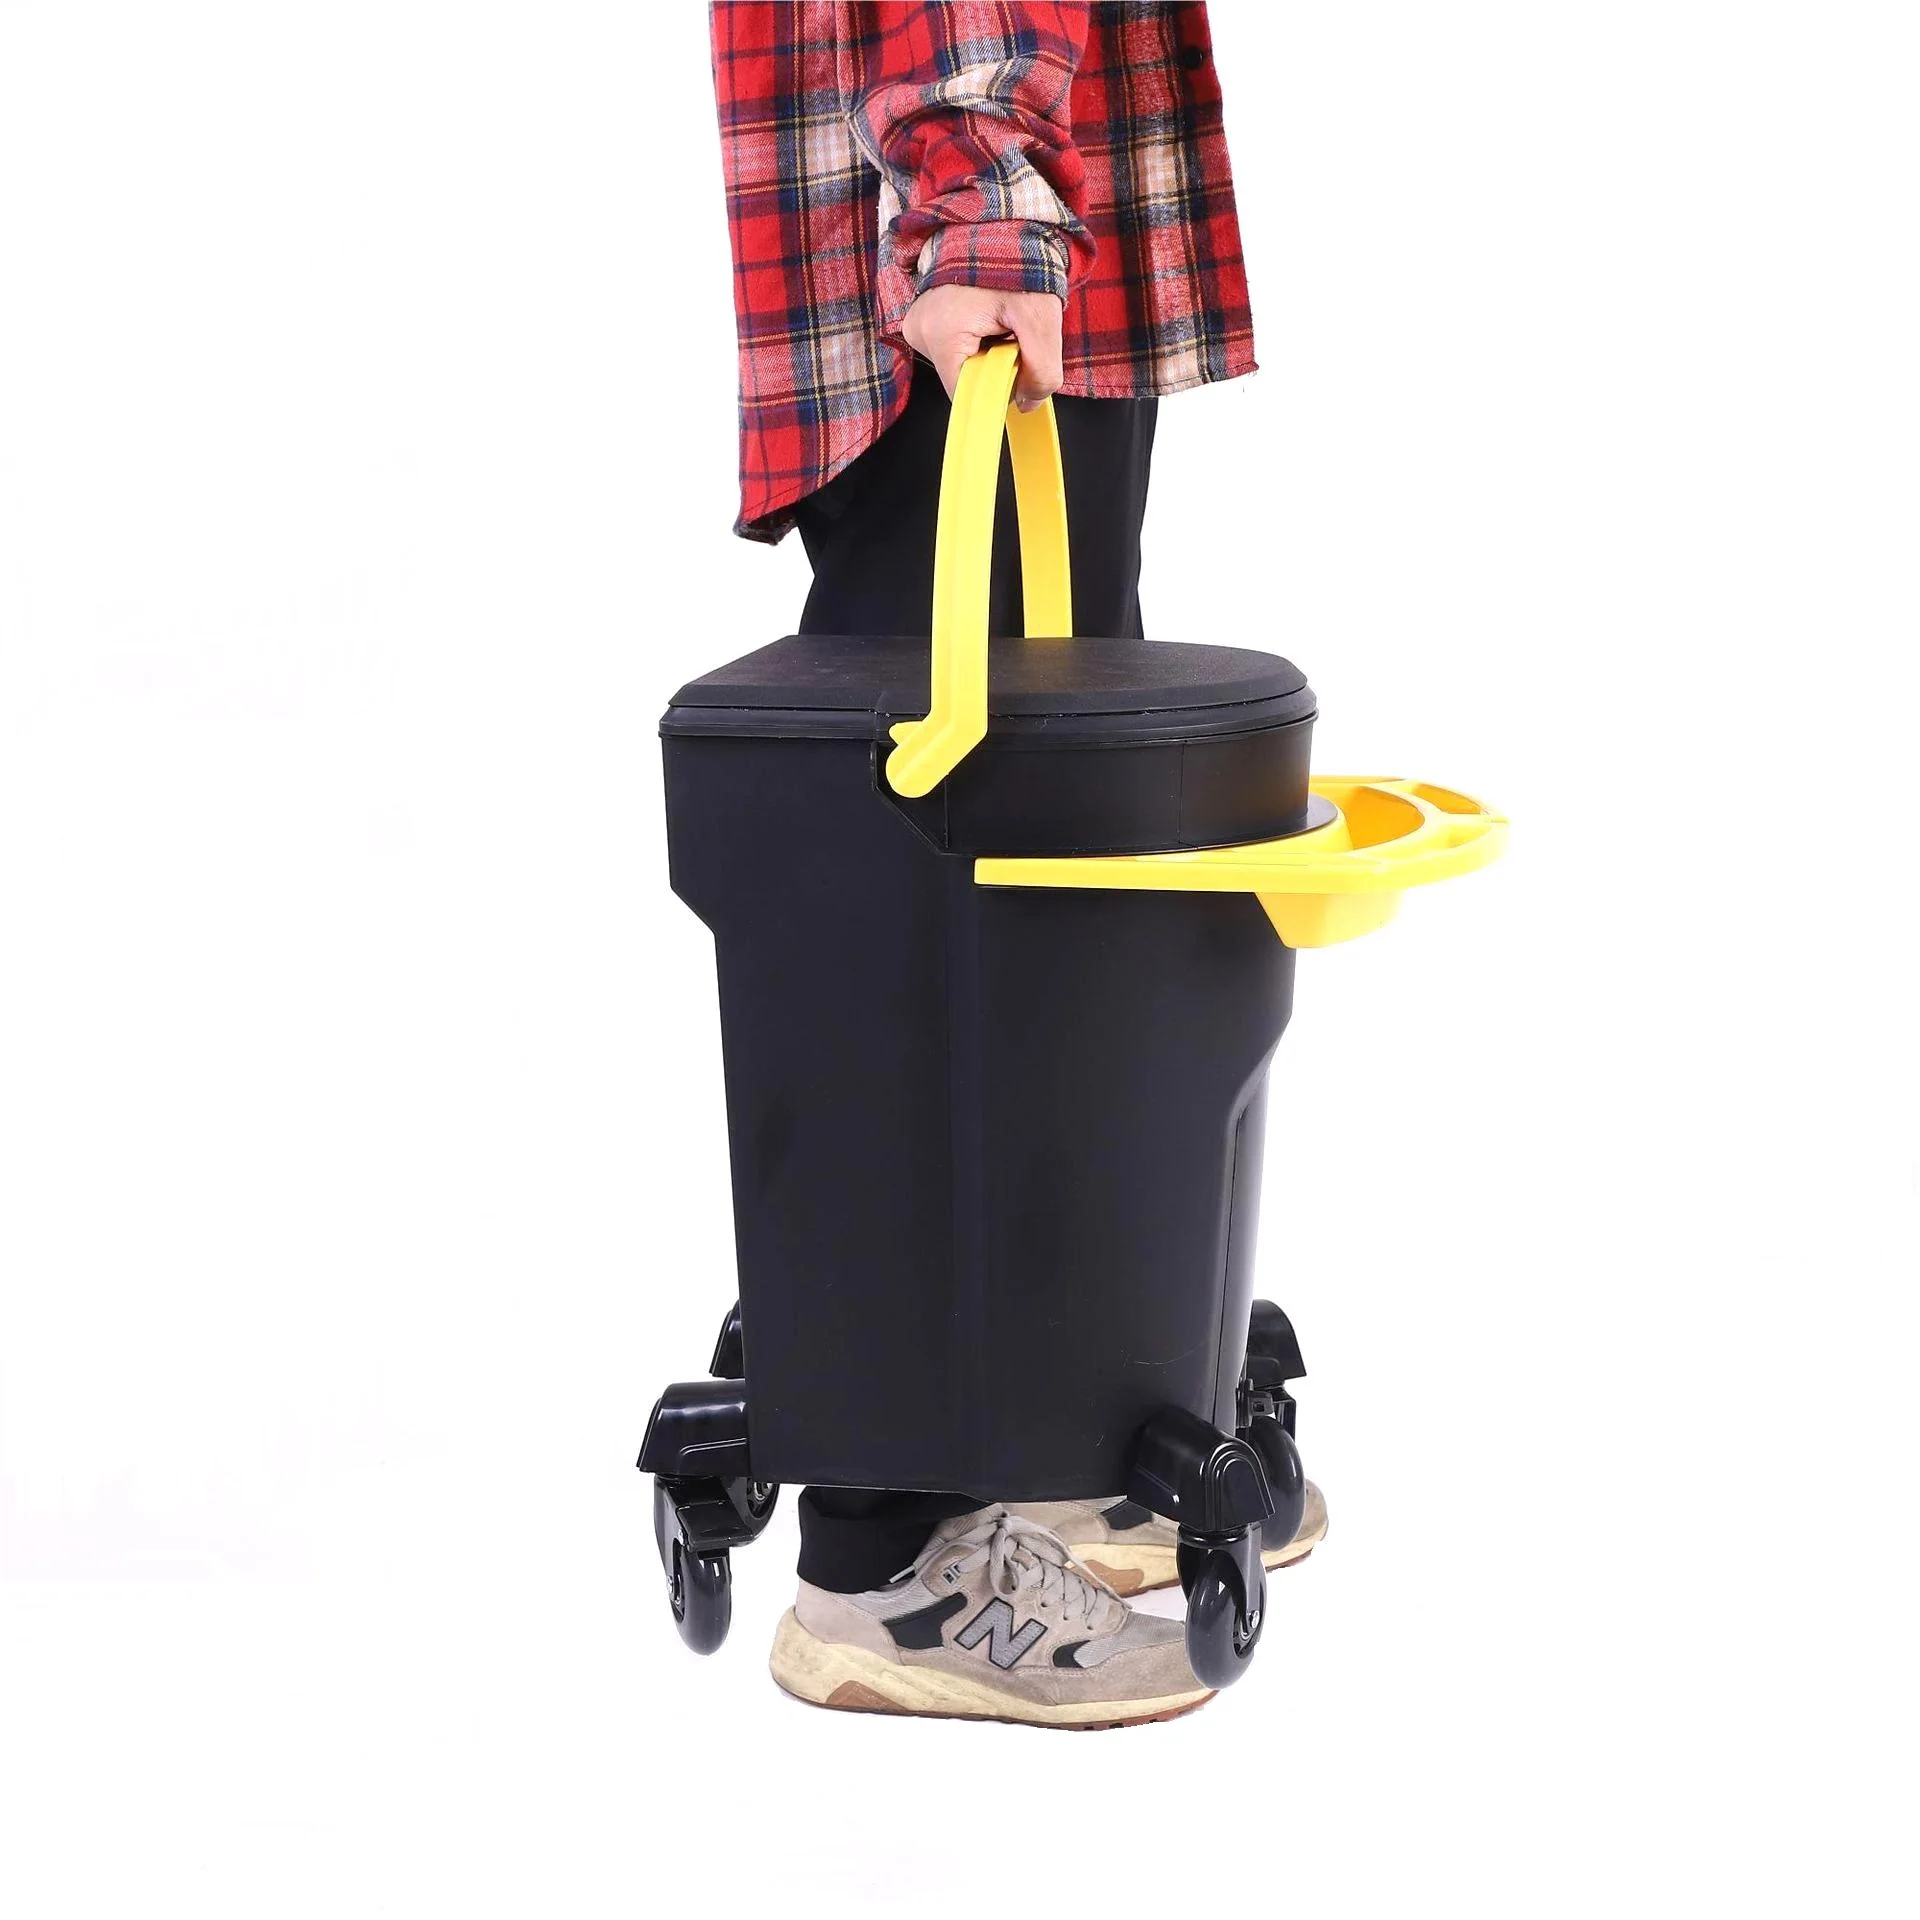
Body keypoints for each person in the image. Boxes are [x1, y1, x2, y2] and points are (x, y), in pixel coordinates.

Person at [710, 0, 1325, 1728]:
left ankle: (1042, 1438)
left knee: (1044, 860)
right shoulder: (971, 219)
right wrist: (975, 201)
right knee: (919, 894)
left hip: (1036, 223)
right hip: (966, 237)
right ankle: (888, 1555)